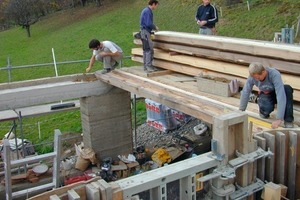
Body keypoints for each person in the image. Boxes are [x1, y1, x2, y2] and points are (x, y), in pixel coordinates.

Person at [239, 62, 294, 129]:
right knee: (266, 107)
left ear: (263, 72)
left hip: (276, 93)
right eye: (255, 78)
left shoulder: (274, 74)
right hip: (265, 94)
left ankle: (288, 120)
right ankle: (263, 112)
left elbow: (280, 95)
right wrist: (241, 111)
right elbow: (245, 92)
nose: (256, 80)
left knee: (287, 89)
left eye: (258, 77)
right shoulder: (252, 77)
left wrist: (279, 118)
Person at [139, 0, 159, 72]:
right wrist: (155, 27)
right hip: (145, 32)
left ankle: (145, 66)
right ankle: (149, 66)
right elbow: (148, 23)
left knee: (145, 49)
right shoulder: (148, 11)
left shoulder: (145, 10)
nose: (156, 7)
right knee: (149, 49)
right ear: (153, 4)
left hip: (143, 32)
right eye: (156, 5)